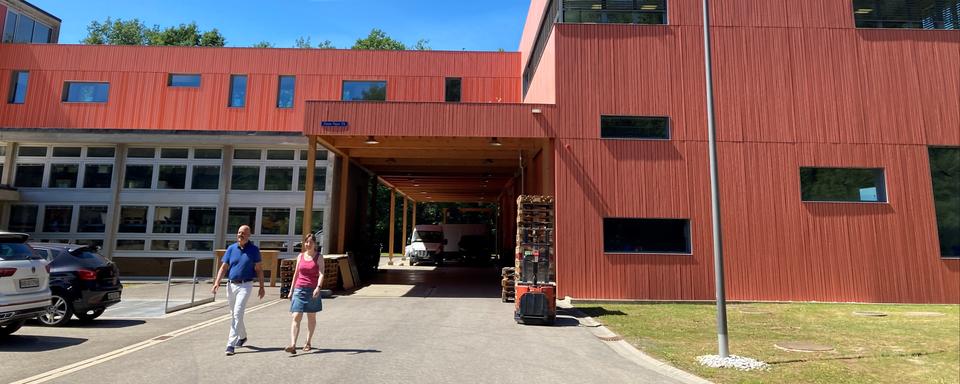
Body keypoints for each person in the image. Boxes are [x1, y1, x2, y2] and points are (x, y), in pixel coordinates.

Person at [212, 225, 265, 356]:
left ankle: (230, 345)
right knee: (234, 314)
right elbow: (224, 267)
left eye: (243, 233)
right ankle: (242, 336)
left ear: (249, 235)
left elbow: (259, 269)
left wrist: (262, 287)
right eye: (239, 232)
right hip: (231, 286)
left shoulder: (254, 250)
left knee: (237, 313)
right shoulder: (231, 249)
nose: (240, 235)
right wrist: (217, 282)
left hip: (245, 285)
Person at [285, 233, 324, 354]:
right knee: (296, 316)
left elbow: (322, 273)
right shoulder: (300, 256)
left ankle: (308, 342)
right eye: (306, 242)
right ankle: (293, 344)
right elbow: (296, 274)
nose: (308, 244)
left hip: (312, 290)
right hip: (299, 289)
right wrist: (291, 290)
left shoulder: (319, 257)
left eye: (310, 242)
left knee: (311, 317)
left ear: (314, 244)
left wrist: (318, 287)